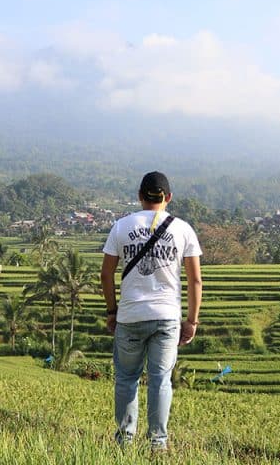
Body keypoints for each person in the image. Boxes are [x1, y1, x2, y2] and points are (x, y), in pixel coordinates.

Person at [100, 171, 203, 451]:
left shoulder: (121, 227)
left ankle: (124, 442)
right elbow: (195, 280)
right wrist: (192, 321)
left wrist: (112, 311)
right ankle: (158, 444)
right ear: (168, 197)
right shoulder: (183, 229)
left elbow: (106, 275)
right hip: (167, 318)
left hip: (130, 316)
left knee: (126, 379)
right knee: (160, 380)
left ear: (139, 196)